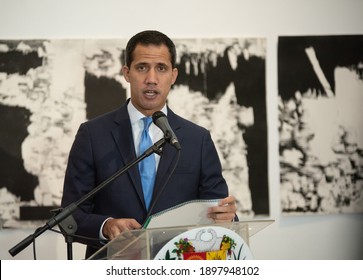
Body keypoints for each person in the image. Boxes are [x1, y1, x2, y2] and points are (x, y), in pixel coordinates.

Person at [61, 30, 237, 258]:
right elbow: (69, 215)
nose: (151, 79)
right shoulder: (93, 135)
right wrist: (106, 226)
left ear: (173, 75)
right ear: (127, 73)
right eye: (142, 67)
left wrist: (227, 216)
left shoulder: (197, 139)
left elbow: (217, 209)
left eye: (161, 68)